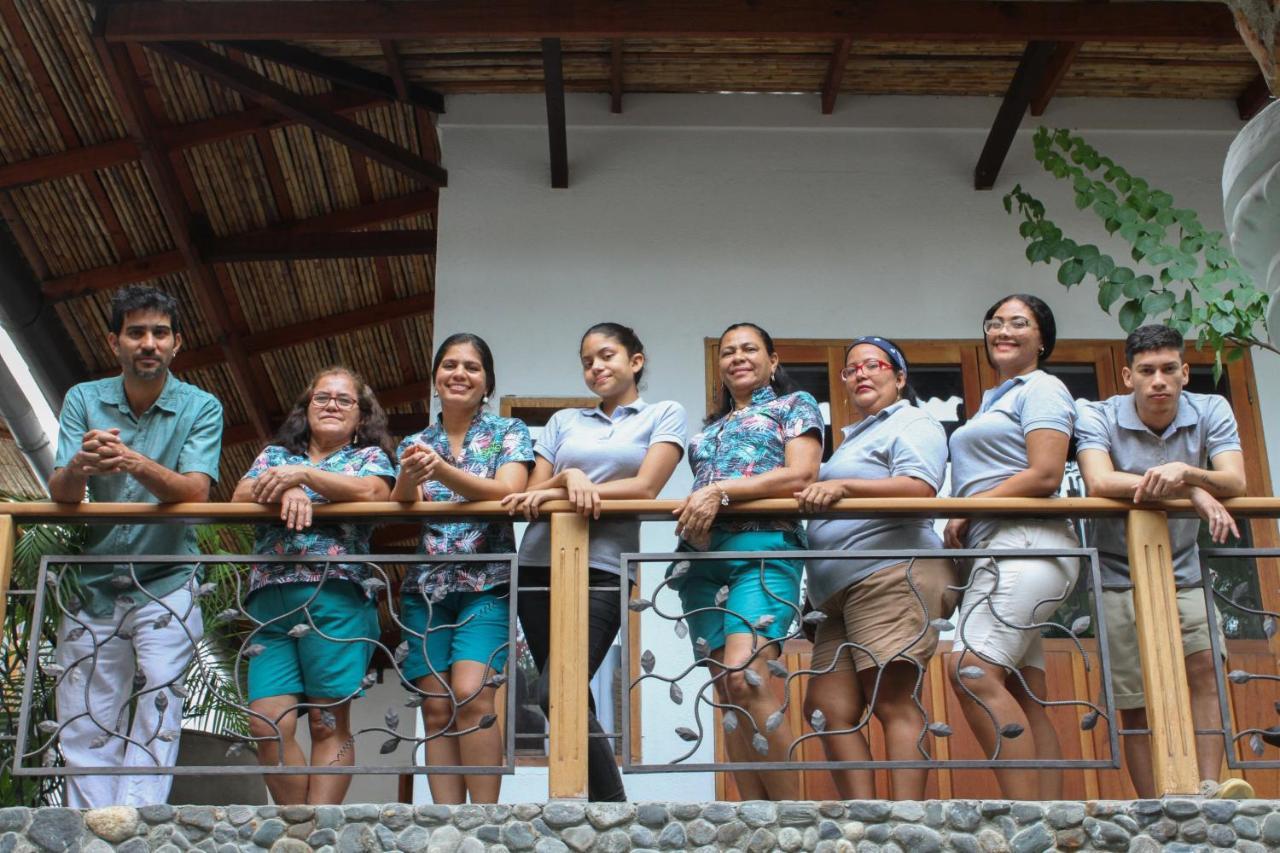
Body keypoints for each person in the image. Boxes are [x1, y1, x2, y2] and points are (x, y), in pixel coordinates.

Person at [47, 285, 223, 808]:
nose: (149, 343)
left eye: (160, 333)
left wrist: (130, 461)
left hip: (168, 578)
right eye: (136, 332)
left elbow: (196, 492)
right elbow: (60, 490)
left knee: (160, 703)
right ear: (114, 342)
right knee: (84, 711)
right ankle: (93, 824)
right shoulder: (83, 398)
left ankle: (138, 821)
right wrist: (80, 465)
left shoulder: (201, 406)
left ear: (177, 345)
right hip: (93, 581)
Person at [502, 322, 687, 802]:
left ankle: (612, 809)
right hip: (539, 564)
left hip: (603, 566)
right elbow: (529, 494)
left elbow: (647, 488)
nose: (596, 367)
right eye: (587, 361)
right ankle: (604, 815)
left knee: (554, 692)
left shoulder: (663, 414)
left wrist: (581, 485)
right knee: (566, 693)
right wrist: (570, 479)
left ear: (635, 361)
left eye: (606, 356)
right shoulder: (565, 421)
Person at [1075, 323, 1251, 799]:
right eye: (1147, 371)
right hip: (1116, 572)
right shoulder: (1096, 414)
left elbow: (1235, 481)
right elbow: (1099, 481)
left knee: (1205, 673)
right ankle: (1155, 803)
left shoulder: (1211, 408)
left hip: (1185, 568)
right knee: (1133, 698)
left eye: (1169, 369)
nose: (1159, 381)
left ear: (1185, 373)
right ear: (1128, 375)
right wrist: (1191, 488)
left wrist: (1187, 470)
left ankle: (1210, 789)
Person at [798, 336, 956, 800]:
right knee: (827, 708)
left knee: (892, 698)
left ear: (900, 377)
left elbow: (920, 487)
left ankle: (906, 823)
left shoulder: (912, 420)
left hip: (891, 572)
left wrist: (841, 486)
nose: (862, 374)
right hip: (837, 591)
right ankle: (864, 820)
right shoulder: (856, 436)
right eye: (852, 370)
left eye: (874, 365)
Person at [670, 321, 822, 800]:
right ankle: (754, 820)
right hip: (701, 561)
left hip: (762, 549)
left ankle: (794, 820)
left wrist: (719, 490)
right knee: (726, 695)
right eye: (728, 351)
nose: (738, 356)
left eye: (750, 349)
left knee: (747, 676)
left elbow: (801, 473)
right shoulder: (709, 428)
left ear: (773, 361)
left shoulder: (793, 406)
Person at [231, 366, 396, 805]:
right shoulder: (274, 455)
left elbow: (374, 494)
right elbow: (239, 495)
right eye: (322, 397)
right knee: (267, 722)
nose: (332, 405)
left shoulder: (369, 458)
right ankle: (296, 826)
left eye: (344, 400)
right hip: (270, 600)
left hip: (336, 596)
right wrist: (286, 487)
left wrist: (302, 479)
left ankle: (319, 831)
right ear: (306, 408)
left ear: (361, 415)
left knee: (326, 723)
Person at [944, 293, 1078, 800]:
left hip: (1026, 542)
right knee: (1025, 693)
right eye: (994, 322)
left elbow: (1045, 474)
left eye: (1018, 323)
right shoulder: (995, 398)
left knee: (968, 669)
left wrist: (968, 507)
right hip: (999, 547)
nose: (1003, 330)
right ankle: (1051, 814)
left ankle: (1025, 815)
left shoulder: (1043, 388)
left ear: (1042, 339)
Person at [392, 333, 533, 804]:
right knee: (435, 708)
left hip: (487, 583)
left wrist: (440, 472)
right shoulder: (415, 442)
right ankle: (445, 822)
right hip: (425, 587)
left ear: (487, 382)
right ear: (435, 378)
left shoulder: (508, 433)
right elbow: (404, 505)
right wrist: (408, 482)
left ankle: (485, 823)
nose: (460, 374)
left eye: (472, 367)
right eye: (450, 365)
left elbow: (506, 491)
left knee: (473, 695)